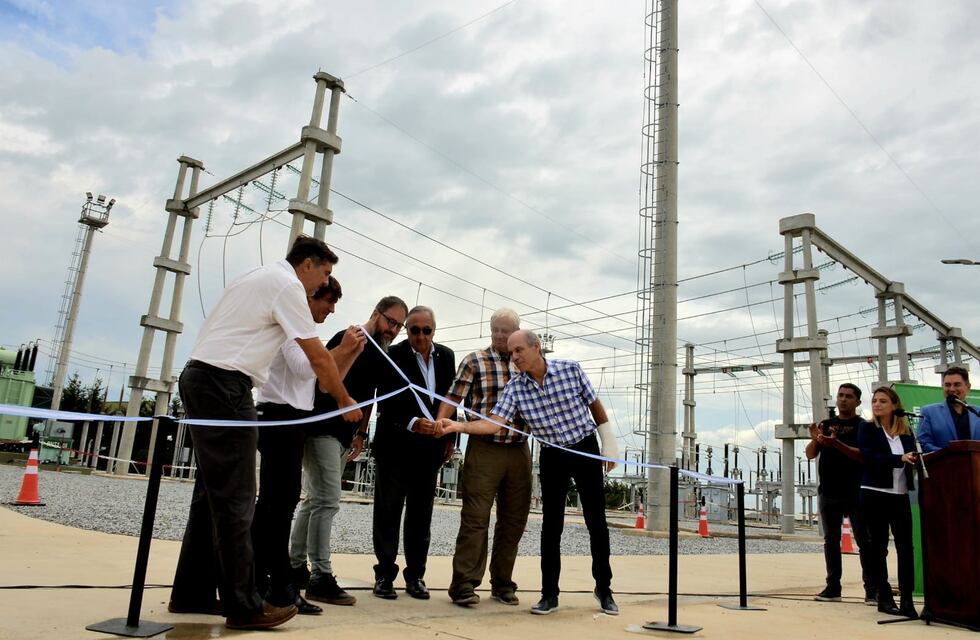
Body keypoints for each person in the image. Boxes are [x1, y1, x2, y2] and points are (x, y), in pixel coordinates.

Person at [169, 236, 362, 631]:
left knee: (211, 495)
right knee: (238, 497)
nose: (321, 284)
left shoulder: (258, 276)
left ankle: (192, 591)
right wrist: (346, 402)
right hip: (225, 385)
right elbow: (316, 358)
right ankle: (244, 604)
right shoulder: (289, 285)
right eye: (324, 274)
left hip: (202, 376)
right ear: (307, 264)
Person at [436, 329, 620, 617]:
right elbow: (495, 423)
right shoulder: (516, 388)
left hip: (584, 446)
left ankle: (604, 589)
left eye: (519, 350)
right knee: (551, 526)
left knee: (596, 522)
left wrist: (609, 443)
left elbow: (594, 404)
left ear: (537, 348)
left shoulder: (570, 369)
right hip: (552, 454)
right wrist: (458, 426)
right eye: (511, 353)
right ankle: (549, 594)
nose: (515, 357)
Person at [251, 276, 365, 616]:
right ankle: (270, 585)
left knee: (282, 502)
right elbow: (306, 367)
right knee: (274, 505)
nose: (331, 310)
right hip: (278, 417)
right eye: (327, 301)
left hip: (294, 420)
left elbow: (324, 381)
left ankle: (275, 583)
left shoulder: (301, 327)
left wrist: (346, 354)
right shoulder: (291, 325)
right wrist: (342, 350)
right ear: (311, 297)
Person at [291, 296, 409, 607]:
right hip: (320, 430)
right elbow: (326, 383)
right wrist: (348, 351)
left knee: (315, 499)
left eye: (399, 326)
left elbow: (370, 398)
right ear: (375, 313)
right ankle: (320, 575)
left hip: (344, 435)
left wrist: (360, 433)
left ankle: (294, 566)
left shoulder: (382, 355)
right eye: (390, 321)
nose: (393, 330)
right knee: (327, 499)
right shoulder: (348, 337)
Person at [436, 308, 532, 607]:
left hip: (518, 449)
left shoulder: (525, 364)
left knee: (513, 521)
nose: (501, 336)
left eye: (506, 331)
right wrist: (442, 427)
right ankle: (463, 583)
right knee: (475, 518)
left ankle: (503, 582)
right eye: (496, 330)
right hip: (484, 447)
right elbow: (452, 398)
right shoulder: (474, 360)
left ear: (517, 332)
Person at [371, 305, 457, 600]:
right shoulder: (392, 355)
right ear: (406, 330)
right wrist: (411, 423)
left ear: (435, 330)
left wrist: (451, 438)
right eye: (414, 330)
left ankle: (415, 576)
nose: (420, 336)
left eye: (426, 330)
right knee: (388, 512)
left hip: (430, 450)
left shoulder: (446, 356)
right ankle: (384, 575)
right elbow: (385, 400)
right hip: (395, 445)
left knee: (421, 516)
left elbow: (452, 398)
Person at [805, 383, 874, 605]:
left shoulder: (864, 427)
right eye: (840, 395)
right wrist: (817, 439)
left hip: (856, 491)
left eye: (849, 396)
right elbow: (810, 454)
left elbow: (864, 456)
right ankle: (833, 586)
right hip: (829, 490)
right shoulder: (826, 425)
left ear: (858, 402)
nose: (843, 400)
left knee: (865, 540)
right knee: (831, 541)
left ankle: (871, 589)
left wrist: (836, 444)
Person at [858, 386, 918, 619]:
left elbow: (912, 454)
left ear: (894, 405)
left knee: (905, 548)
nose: (877, 404)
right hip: (874, 492)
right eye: (874, 400)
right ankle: (883, 596)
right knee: (878, 546)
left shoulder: (906, 431)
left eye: (883, 400)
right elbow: (869, 456)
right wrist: (899, 458)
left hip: (900, 494)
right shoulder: (867, 429)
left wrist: (912, 459)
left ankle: (907, 599)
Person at [917, 366, 980, 453]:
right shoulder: (929, 412)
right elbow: (923, 444)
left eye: (957, 384)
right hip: (944, 465)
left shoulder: (977, 412)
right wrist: (948, 454)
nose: (952, 389)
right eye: (947, 385)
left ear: (968, 387)